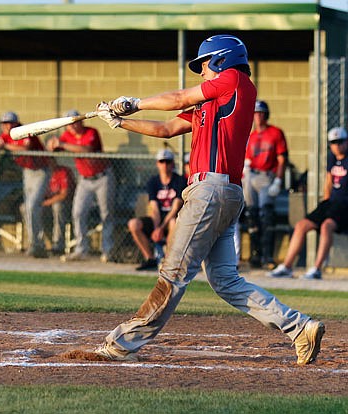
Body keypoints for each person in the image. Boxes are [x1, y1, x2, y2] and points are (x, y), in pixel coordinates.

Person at [82, 34, 323, 366]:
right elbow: (167, 128)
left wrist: (135, 101)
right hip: (220, 194)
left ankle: (122, 344)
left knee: (174, 272)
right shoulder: (211, 102)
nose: (201, 72)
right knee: (225, 280)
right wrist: (121, 121)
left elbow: (179, 97)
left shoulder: (234, 80)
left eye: (204, 64)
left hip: (210, 191)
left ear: (223, 60)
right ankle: (300, 328)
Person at [269, 127, 348, 280]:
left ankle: (317, 269)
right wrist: (325, 201)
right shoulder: (332, 157)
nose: (337, 146)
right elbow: (329, 180)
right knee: (301, 225)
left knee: (326, 226)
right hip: (331, 202)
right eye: (333, 143)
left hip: (345, 204)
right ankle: (287, 266)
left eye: (340, 142)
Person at [47, 110, 115, 263]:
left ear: (81, 121)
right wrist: (53, 144)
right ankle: (81, 249)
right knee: (78, 212)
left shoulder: (92, 132)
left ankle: (107, 250)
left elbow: (87, 150)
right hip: (84, 180)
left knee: (106, 214)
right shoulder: (66, 136)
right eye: (70, 124)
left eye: (75, 122)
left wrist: (63, 144)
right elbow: (54, 147)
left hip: (102, 177)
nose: (73, 126)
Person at [0, 111, 50, 258]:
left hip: (40, 171)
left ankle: (36, 244)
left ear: (17, 123)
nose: (7, 126)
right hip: (28, 172)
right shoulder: (5, 136)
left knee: (31, 206)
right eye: (4, 124)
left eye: (10, 123)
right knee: (27, 208)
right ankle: (36, 244)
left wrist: (5, 146)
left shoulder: (24, 131)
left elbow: (24, 149)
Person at [243, 100, 288, 269]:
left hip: (267, 176)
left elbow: (282, 159)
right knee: (251, 215)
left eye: (261, 113)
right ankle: (256, 255)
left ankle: (268, 256)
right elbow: (247, 158)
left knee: (266, 215)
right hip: (251, 176)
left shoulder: (275, 133)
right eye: (255, 113)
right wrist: (245, 170)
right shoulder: (251, 135)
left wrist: (278, 180)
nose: (258, 116)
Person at [130, 148, 185, 271]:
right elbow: (154, 208)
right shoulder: (153, 182)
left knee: (173, 222)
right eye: (161, 161)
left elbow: (175, 208)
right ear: (157, 164)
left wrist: (161, 227)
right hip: (157, 219)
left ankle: (168, 260)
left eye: (168, 162)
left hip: (171, 218)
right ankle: (150, 258)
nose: (165, 165)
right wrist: (156, 229)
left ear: (172, 164)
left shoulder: (179, 181)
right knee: (133, 224)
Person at [42, 158, 76, 256]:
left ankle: (58, 245)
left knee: (57, 207)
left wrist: (47, 202)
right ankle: (38, 243)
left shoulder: (63, 171)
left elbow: (64, 195)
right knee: (26, 208)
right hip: (48, 206)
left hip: (68, 205)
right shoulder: (42, 173)